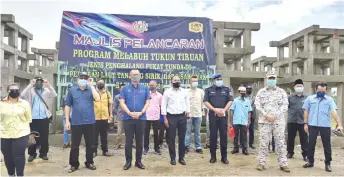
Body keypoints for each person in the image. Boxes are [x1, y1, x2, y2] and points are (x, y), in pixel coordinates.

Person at [302, 82, 343, 172]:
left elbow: (334, 112)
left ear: (326, 90)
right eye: (319, 91)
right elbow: (306, 111)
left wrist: (339, 124)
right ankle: (310, 161)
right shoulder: (310, 98)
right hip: (312, 125)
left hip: (325, 125)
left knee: (327, 145)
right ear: (316, 90)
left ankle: (328, 163)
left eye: (323, 91)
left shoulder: (329, 100)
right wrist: (305, 123)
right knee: (311, 144)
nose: (321, 92)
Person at [64, 72, 101, 173]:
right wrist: (67, 120)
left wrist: (92, 86)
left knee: (90, 144)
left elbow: (98, 99)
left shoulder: (91, 89)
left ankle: (89, 162)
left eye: (86, 78)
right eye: (82, 78)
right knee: (75, 145)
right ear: (77, 79)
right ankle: (74, 164)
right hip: (76, 122)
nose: (83, 79)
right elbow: (67, 105)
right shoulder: (72, 90)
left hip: (90, 122)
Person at [255, 71, 290, 172]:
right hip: (264, 121)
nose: (271, 80)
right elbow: (257, 105)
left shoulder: (282, 92)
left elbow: (285, 105)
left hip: (278, 121)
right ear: (266, 79)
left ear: (276, 79)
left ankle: (283, 164)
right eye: (269, 78)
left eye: (273, 78)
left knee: (280, 142)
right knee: (263, 142)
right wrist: (266, 115)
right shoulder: (261, 92)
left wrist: (275, 115)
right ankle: (261, 163)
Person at [21, 76, 57, 162]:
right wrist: (30, 85)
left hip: (44, 118)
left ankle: (43, 153)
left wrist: (49, 85)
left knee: (44, 137)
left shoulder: (46, 91)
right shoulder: (30, 91)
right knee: (32, 137)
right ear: (34, 82)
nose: (39, 83)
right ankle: (32, 154)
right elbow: (22, 95)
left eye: (41, 81)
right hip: (33, 118)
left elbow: (55, 94)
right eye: (37, 81)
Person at [120, 70, 150, 170]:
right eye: (133, 75)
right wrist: (129, 113)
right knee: (128, 141)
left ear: (140, 76)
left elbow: (147, 102)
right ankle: (128, 161)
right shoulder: (124, 88)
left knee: (139, 141)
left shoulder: (145, 88)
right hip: (128, 118)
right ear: (129, 76)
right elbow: (122, 102)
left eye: (137, 74)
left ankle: (139, 161)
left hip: (141, 118)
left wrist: (141, 113)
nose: (135, 76)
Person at [1, 83, 32, 176]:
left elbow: (28, 119)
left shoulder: (25, 104)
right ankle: (11, 174)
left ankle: (20, 174)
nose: (15, 91)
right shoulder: (1, 103)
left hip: (21, 134)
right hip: (4, 134)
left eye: (17, 90)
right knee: (8, 157)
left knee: (19, 156)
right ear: (8, 91)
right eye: (12, 90)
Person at [203, 73, 233, 164]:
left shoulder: (227, 89)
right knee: (213, 136)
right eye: (218, 79)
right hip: (213, 115)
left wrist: (224, 110)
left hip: (223, 115)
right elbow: (206, 101)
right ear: (214, 81)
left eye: (221, 79)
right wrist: (214, 110)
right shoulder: (208, 90)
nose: (220, 81)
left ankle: (224, 157)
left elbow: (230, 100)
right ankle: (213, 157)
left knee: (224, 136)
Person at [161, 75, 190, 166]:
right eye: (175, 80)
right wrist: (165, 119)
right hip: (171, 117)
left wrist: (187, 117)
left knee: (182, 138)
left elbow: (187, 104)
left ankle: (181, 158)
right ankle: (172, 158)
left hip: (182, 117)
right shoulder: (167, 92)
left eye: (178, 80)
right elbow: (163, 105)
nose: (177, 81)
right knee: (171, 139)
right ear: (171, 81)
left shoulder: (184, 92)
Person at [287, 79, 308, 161]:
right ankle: (290, 152)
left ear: (303, 87)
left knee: (304, 138)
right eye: (297, 86)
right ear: (294, 87)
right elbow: (286, 108)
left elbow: (309, 109)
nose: (299, 87)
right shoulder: (290, 97)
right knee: (290, 138)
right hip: (292, 120)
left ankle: (305, 154)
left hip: (303, 121)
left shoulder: (307, 98)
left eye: (300, 86)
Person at [93, 78, 113, 157]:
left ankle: (105, 151)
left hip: (105, 118)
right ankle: (94, 151)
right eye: (99, 83)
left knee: (104, 135)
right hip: (95, 118)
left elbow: (110, 105)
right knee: (94, 135)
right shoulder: (93, 93)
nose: (101, 84)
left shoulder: (107, 93)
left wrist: (110, 115)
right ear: (96, 84)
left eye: (102, 83)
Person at [230, 86, 252, 155]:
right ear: (239, 92)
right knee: (235, 136)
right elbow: (231, 111)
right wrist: (231, 121)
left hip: (244, 121)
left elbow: (249, 112)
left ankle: (244, 149)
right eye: (241, 91)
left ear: (245, 92)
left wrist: (249, 120)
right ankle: (235, 148)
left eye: (244, 91)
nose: (243, 93)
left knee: (244, 136)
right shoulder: (235, 100)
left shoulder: (248, 101)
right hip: (236, 121)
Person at [185, 75, 204, 154]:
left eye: (196, 81)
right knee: (187, 132)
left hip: (198, 114)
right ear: (190, 82)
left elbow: (203, 102)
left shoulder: (201, 91)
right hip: (189, 115)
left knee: (197, 132)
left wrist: (202, 111)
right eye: (193, 81)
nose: (195, 83)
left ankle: (198, 147)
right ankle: (186, 146)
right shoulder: (186, 92)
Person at [144, 80, 162, 155]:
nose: (152, 86)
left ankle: (156, 148)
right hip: (147, 117)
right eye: (150, 85)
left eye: (153, 85)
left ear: (156, 85)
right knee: (146, 133)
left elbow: (161, 106)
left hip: (156, 117)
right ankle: (145, 148)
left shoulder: (160, 96)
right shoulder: (146, 95)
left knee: (156, 133)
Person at [114, 83, 125, 149]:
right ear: (120, 89)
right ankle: (118, 144)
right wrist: (117, 114)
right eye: (122, 88)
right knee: (119, 132)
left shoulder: (128, 96)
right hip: (120, 117)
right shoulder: (117, 97)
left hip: (128, 117)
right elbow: (115, 107)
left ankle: (129, 144)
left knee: (129, 133)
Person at [62, 83, 73, 148]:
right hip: (65, 116)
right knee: (65, 130)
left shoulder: (75, 96)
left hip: (73, 115)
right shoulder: (64, 97)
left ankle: (72, 143)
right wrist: (66, 116)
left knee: (73, 130)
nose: (70, 89)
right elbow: (63, 107)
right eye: (69, 88)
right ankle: (66, 143)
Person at [246, 85, 256, 149]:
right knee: (243, 130)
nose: (249, 90)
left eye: (250, 89)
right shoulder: (244, 97)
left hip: (252, 116)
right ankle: (242, 143)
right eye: (248, 89)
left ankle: (251, 144)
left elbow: (254, 106)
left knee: (251, 130)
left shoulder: (254, 98)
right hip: (244, 116)